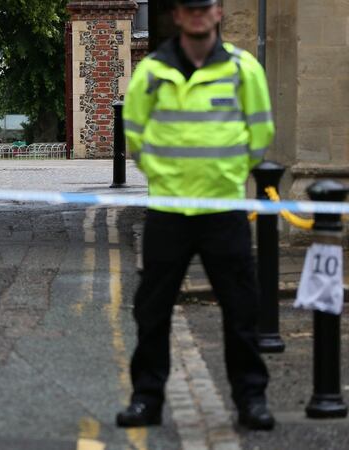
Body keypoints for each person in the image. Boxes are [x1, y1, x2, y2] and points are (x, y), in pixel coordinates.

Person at [117, 0, 276, 431]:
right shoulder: (150, 72)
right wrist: (162, 174)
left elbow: (259, 134)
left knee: (241, 310)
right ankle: (146, 400)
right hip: (169, 211)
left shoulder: (244, 70)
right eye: (191, 8)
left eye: (206, 7)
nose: (199, 14)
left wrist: (227, 175)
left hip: (223, 209)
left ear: (219, 12)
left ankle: (251, 401)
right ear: (179, 16)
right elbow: (135, 132)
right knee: (152, 313)